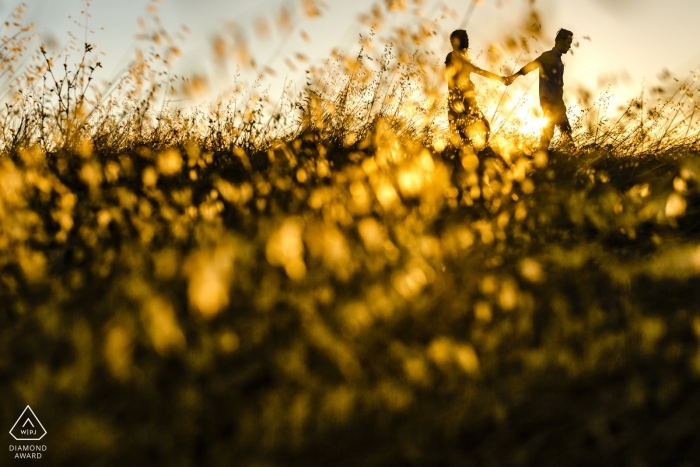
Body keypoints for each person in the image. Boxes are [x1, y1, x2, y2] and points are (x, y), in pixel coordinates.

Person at [506, 29, 576, 151]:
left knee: (566, 132)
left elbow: (559, 86)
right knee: (549, 130)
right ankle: (540, 156)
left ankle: (570, 155)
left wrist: (562, 104)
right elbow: (530, 67)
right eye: (568, 43)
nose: (569, 46)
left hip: (558, 102)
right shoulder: (548, 56)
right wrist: (513, 77)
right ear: (560, 41)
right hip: (548, 100)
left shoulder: (560, 62)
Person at [445, 29, 506, 150]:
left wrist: (500, 78)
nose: (467, 41)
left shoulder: (463, 59)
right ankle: (475, 155)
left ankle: (479, 152)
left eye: (467, 38)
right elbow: (450, 80)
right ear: (457, 41)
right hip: (460, 101)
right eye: (464, 38)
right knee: (464, 134)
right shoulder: (452, 56)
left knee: (482, 128)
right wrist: (456, 100)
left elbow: (480, 71)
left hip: (468, 101)